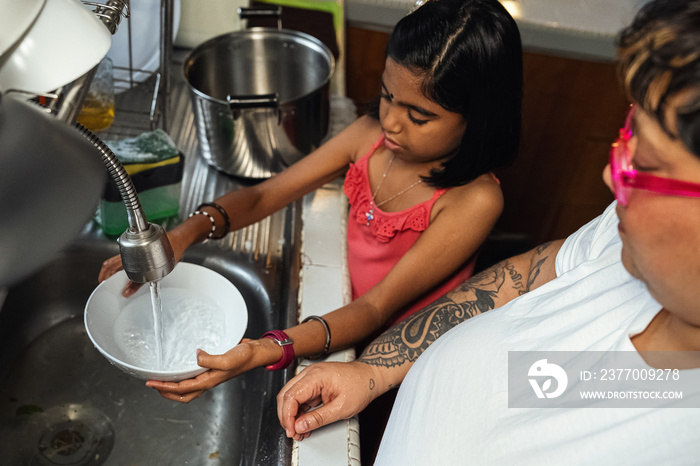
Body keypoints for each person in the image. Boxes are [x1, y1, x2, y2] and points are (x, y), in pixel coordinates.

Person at [277, 0, 700, 463]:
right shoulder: (624, 246)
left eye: (645, 165)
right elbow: (530, 273)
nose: (609, 175)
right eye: (627, 135)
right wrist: (372, 371)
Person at [98, 0, 523, 403]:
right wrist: (183, 235)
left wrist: (266, 349)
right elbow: (266, 195)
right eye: (387, 95)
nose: (391, 120)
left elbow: (375, 308)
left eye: (419, 116)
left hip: (402, 355)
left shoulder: (475, 200)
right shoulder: (367, 137)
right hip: (343, 315)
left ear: (478, 118)